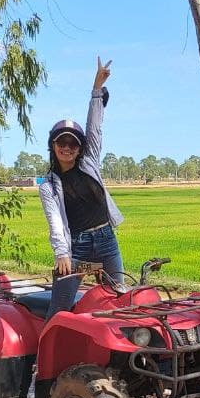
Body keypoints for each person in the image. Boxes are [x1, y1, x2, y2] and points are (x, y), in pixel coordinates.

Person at [38, 58, 124, 286]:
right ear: (53, 146)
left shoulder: (89, 163)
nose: (67, 148)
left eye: (73, 144)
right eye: (61, 143)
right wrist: (61, 253)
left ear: (80, 149)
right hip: (77, 245)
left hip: (106, 240)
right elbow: (55, 221)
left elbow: (94, 128)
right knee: (61, 303)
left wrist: (97, 90)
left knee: (119, 297)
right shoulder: (49, 186)